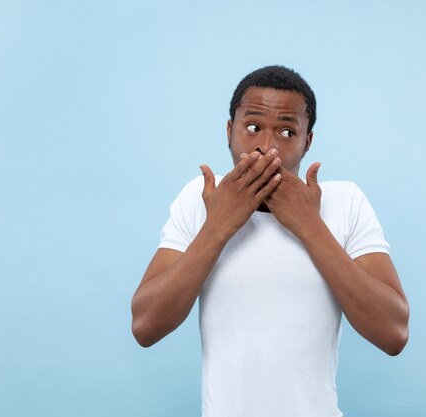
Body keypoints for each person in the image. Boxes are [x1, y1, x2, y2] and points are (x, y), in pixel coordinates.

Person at [131, 65, 409, 417]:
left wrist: (309, 225)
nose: (267, 146)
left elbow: (393, 333)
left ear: (308, 141)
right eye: (252, 127)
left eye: (287, 131)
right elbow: (145, 326)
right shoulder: (200, 199)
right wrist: (218, 226)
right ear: (229, 131)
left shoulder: (345, 201)